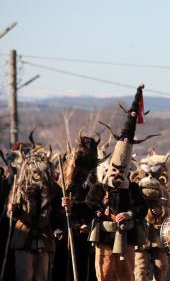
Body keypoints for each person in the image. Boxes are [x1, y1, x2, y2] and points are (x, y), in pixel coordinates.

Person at [62, 85, 153, 281]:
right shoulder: (98, 188)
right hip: (104, 240)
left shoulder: (134, 189)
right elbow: (88, 207)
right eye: (115, 170)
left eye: (122, 171)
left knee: (126, 275)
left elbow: (142, 208)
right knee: (103, 275)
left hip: (126, 240)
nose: (118, 174)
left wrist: (127, 214)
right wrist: (71, 206)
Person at [7, 149, 64, 281]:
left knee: (41, 276)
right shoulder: (19, 188)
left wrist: (64, 208)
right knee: (24, 275)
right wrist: (12, 210)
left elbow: (58, 214)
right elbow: (11, 214)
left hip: (44, 238)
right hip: (23, 238)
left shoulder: (53, 190)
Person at [133, 150, 170, 281]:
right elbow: (132, 208)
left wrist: (162, 210)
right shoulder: (136, 191)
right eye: (147, 174)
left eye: (153, 174)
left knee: (161, 266)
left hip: (159, 237)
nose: (150, 176)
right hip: (141, 236)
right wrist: (146, 212)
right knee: (140, 268)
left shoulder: (165, 193)